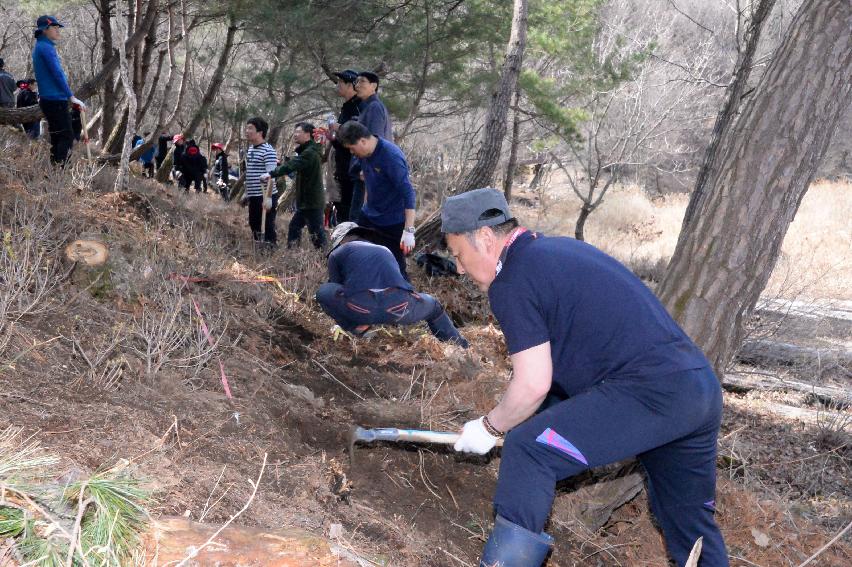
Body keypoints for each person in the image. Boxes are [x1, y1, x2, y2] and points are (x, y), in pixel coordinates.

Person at [442, 188, 729, 567]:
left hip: (650, 392)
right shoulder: (558, 251)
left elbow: (532, 383)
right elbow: (564, 380)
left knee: (529, 450)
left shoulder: (511, 280)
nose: (459, 268)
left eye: (459, 255)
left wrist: (491, 427)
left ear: (484, 238)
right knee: (689, 524)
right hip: (697, 389)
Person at [316, 222, 468, 347]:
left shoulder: (337, 253)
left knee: (324, 291)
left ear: (341, 240)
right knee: (434, 307)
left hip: (360, 308)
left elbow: (337, 287)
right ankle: (460, 347)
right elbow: (400, 282)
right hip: (399, 308)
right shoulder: (384, 249)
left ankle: (357, 327)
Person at [337, 120, 415, 280]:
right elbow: (367, 179)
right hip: (369, 215)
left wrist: (409, 231)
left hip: (391, 221)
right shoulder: (364, 154)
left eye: (352, 148)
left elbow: (408, 193)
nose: (352, 153)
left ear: (363, 141)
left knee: (395, 267)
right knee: (359, 254)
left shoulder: (390, 157)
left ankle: (407, 299)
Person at [262, 122, 327, 249]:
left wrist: (271, 174)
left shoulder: (309, 153)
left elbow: (290, 166)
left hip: (312, 202)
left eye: (298, 132)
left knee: (317, 235)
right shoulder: (310, 150)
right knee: (295, 227)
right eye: (295, 132)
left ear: (308, 134)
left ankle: (327, 259)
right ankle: (293, 255)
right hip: (306, 202)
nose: (295, 135)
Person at [32, 15, 86, 165]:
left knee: (57, 137)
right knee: (66, 137)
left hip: (50, 99)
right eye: (54, 28)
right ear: (45, 29)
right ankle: (60, 173)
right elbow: (57, 73)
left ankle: (54, 174)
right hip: (54, 99)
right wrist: (71, 96)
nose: (58, 31)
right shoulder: (45, 48)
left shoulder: (41, 46)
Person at [349, 70, 393, 217]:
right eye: (356, 82)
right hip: (366, 171)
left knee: (359, 217)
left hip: (368, 172)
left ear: (374, 86)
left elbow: (375, 140)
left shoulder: (374, 107)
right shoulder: (368, 107)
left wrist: (366, 169)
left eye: (362, 81)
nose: (357, 85)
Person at [242, 117, 279, 245]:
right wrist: (246, 193)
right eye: (246, 128)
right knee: (254, 224)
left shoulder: (268, 151)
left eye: (250, 128)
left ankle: (270, 252)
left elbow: (272, 175)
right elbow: (251, 173)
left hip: (265, 196)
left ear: (260, 132)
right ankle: (259, 252)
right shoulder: (251, 149)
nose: (247, 131)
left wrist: (268, 199)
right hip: (254, 195)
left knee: (267, 227)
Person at [330, 69, 360, 222]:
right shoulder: (346, 107)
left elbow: (357, 135)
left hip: (354, 168)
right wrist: (332, 138)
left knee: (351, 210)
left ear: (350, 85)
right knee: (341, 206)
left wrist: (340, 128)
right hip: (342, 166)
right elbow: (342, 140)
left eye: (341, 83)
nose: (338, 85)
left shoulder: (359, 106)